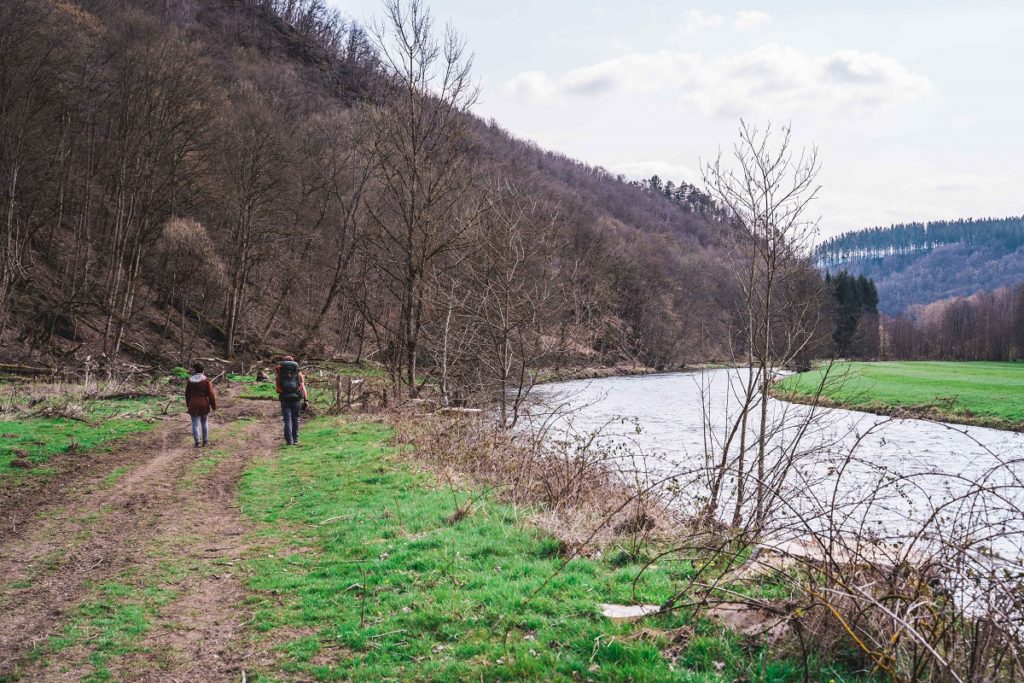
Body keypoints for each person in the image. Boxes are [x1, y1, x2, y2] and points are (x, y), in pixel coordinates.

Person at [275, 355, 307, 446]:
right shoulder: (298, 373)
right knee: (295, 419)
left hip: (284, 398)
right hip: (296, 398)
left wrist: (284, 392)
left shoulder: (280, 374)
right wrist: (306, 400)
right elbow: (303, 387)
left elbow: (277, 389)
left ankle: (289, 441)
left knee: (287, 419)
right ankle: (296, 439)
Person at [185, 362, 217, 448]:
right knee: (204, 422)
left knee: (195, 424)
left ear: (195, 370)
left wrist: (188, 404)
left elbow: (187, 394)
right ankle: (205, 442)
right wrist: (213, 406)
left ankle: (197, 443)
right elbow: (210, 394)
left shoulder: (190, 380)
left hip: (193, 404)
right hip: (203, 404)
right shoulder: (206, 381)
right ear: (203, 370)